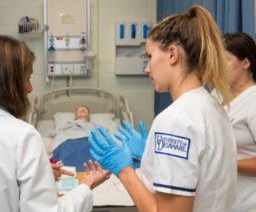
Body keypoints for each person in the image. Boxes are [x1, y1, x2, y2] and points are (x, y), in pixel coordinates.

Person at [88, 5, 237, 212]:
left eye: (149, 56)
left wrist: (124, 170)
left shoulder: (175, 120)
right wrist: (151, 154)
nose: (146, 68)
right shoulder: (213, 107)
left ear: (172, 55)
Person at [0, 35, 110, 212]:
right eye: (27, 78)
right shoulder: (22, 135)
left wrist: (27, 174)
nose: (30, 88)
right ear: (7, 84)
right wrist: (86, 186)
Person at [211, 32, 256, 212]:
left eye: (226, 60)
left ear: (245, 63)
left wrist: (226, 163)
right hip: (217, 201)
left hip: (246, 204)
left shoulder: (253, 101)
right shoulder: (216, 94)